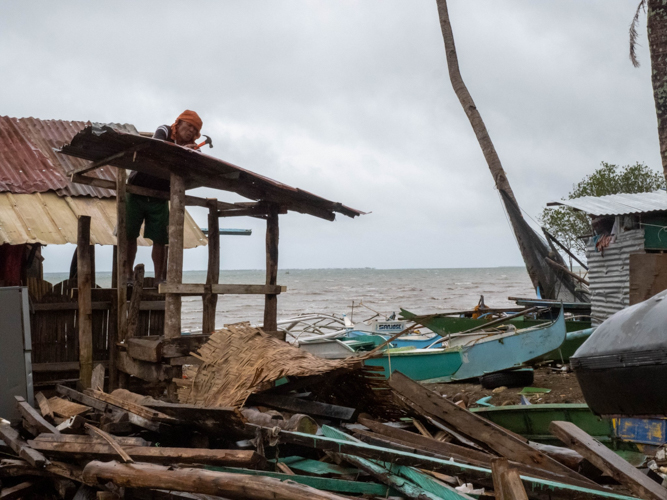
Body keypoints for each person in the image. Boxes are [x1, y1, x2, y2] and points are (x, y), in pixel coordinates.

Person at [126, 110, 203, 283]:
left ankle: (159, 278)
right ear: (179, 123)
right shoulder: (165, 131)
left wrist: (189, 153)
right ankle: (127, 274)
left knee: (160, 238)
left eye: (195, 129)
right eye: (188, 125)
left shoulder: (193, 149)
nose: (191, 130)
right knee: (129, 233)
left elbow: (195, 167)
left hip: (160, 195)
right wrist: (180, 150)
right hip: (136, 188)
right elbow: (156, 149)